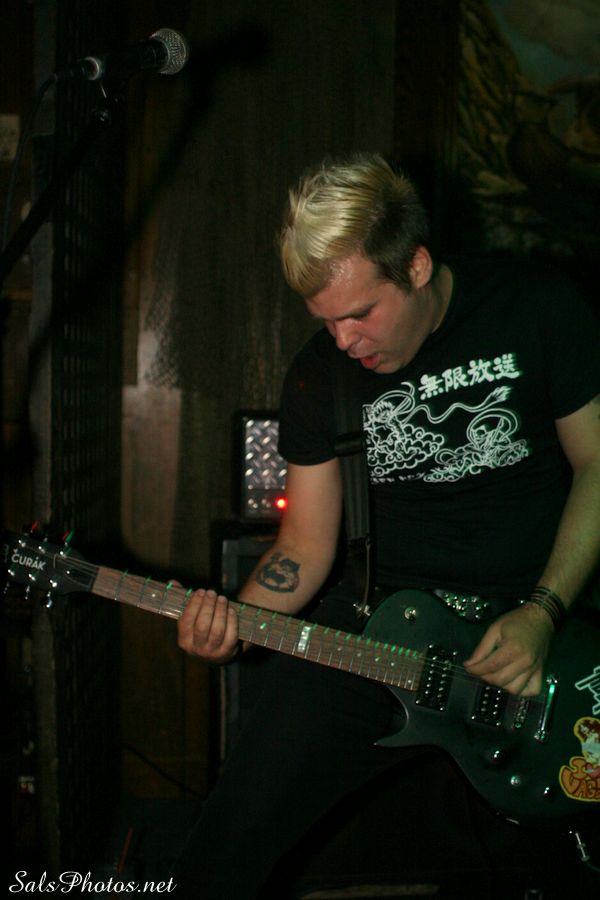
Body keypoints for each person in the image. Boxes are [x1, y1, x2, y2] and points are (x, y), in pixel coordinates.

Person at [172, 153, 600, 897]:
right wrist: (233, 623)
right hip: (382, 631)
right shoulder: (319, 376)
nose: (343, 340)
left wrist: (544, 611)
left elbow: (597, 466)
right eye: (325, 320)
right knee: (225, 846)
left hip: (542, 624)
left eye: (360, 313)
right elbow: (305, 549)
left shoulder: (536, 308)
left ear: (417, 266)